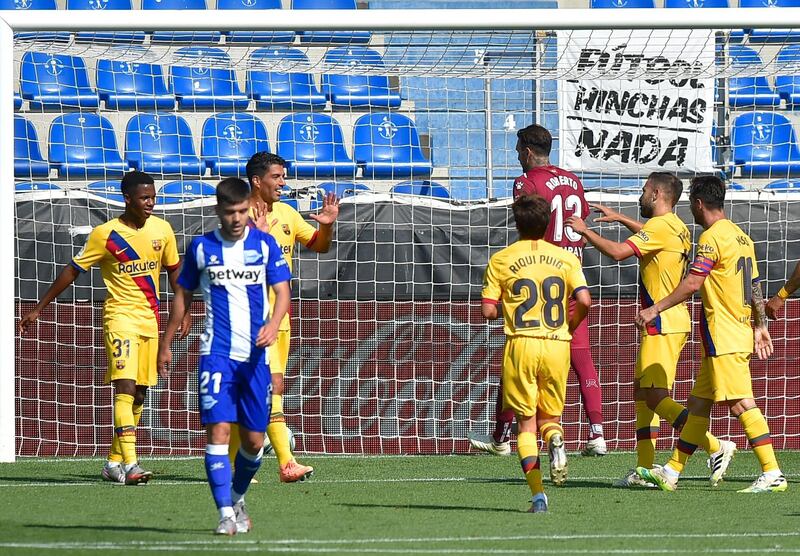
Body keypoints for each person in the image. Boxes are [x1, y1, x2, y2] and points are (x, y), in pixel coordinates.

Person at [18, 171, 189, 485]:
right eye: (144, 198)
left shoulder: (162, 229)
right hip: (119, 318)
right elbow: (73, 270)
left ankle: (113, 462)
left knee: (139, 393)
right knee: (124, 387)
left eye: (153, 196)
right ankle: (132, 464)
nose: (151, 203)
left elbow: (175, 270)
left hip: (149, 319)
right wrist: (40, 308)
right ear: (127, 199)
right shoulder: (105, 234)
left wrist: (184, 311)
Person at [566, 172, 734, 489]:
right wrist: (621, 219)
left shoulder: (660, 228)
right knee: (642, 395)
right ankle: (644, 468)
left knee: (656, 397)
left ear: (656, 193)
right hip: (671, 321)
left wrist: (585, 232)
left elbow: (618, 253)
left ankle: (714, 445)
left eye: (644, 191)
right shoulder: (678, 227)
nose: (640, 196)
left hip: (662, 322)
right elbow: (651, 234)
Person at [469, 124, 606, 481]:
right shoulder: (574, 181)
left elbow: (528, 215)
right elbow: (579, 220)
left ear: (528, 152)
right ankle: (597, 433)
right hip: (569, 277)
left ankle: (504, 437)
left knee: (517, 359)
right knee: (581, 357)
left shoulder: (526, 181)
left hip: (536, 271)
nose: (517, 156)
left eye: (518, 150)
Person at [635, 176, 787, 493]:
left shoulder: (711, 238)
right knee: (698, 405)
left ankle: (773, 472)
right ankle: (672, 471)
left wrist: (655, 308)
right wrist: (760, 325)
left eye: (691, 202)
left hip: (724, 333)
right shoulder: (741, 236)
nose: (690, 208)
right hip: (735, 331)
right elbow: (754, 286)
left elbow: (692, 283)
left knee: (742, 404)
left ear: (699, 204)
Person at [158, 177, 292, 535]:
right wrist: (166, 343)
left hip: (255, 357)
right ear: (218, 210)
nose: (236, 218)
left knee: (252, 442)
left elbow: (282, 292)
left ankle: (237, 496)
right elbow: (182, 297)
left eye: (242, 211)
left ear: (249, 209)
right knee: (217, 432)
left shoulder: (264, 245)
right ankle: (224, 514)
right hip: (216, 354)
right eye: (230, 212)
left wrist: (273, 324)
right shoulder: (201, 248)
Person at [226, 152, 338, 483]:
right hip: (249, 319)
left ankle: (231, 465)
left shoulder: (288, 213)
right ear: (257, 181)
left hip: (280, 319)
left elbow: (319, 245)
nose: (283, 182)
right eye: (277, 176)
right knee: (270, 388)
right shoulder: (237, 215)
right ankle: (286, 462)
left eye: (284, 176)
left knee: (255, 392)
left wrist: (328, 227)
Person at [482, 194, 591, 511]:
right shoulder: (566, 258)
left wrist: (511, 308)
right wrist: (571, 325)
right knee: (551, 419)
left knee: (526, 426)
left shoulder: (502, 259)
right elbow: (584, 300)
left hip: (522, 344)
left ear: (516, 224)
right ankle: (556, 439)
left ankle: (539, 496)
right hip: (558, 344)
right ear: (547, 226)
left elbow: (488, 311)